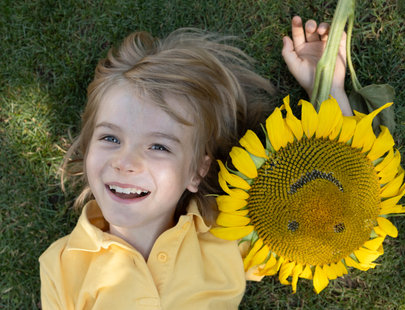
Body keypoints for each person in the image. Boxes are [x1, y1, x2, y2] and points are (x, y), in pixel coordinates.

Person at [39, 16, 351, 310]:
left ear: (197, 171)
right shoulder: (61, 265)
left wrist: (327, 86)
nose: (125, 162)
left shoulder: (227, 234)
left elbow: (336, 198)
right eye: (110, 138)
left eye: (158, 146)